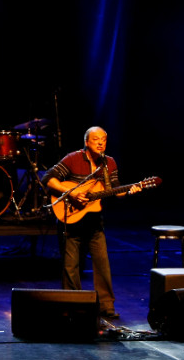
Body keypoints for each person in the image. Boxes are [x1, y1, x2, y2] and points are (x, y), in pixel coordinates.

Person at [43, 126, 140, 319]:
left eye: (103, 139)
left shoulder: (109, 163)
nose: (100, 142)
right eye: (96, 139)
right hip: (70, 219)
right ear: (87, 142)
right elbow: (48, 179)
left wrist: (130, 190)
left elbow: (114, 189)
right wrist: (70, 192)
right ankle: (73, 304)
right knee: (70, 266)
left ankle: (106, 306)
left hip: (94, 222)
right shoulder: (73, 158)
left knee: (102, 263)